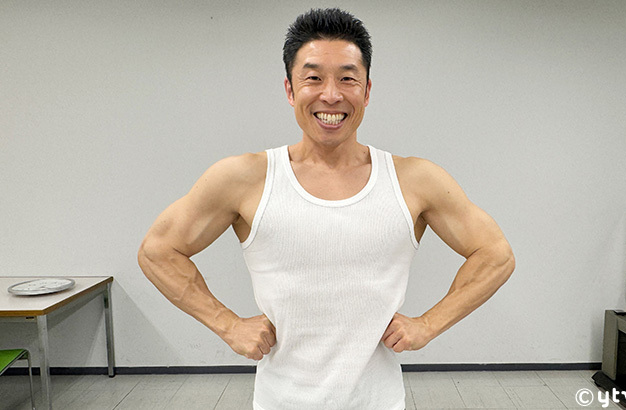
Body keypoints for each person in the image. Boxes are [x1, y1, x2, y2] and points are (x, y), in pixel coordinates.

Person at [138, 8, 515, 410]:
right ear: (290, 90)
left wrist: (428, 324)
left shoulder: (414, 179)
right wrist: (227, 324)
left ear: (367, 91)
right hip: (280, 401)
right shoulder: (244, 178)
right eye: (314, 78)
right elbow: (157, 251)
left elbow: (496, 255)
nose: (331, 95)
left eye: (348, 78)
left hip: (378, 402)